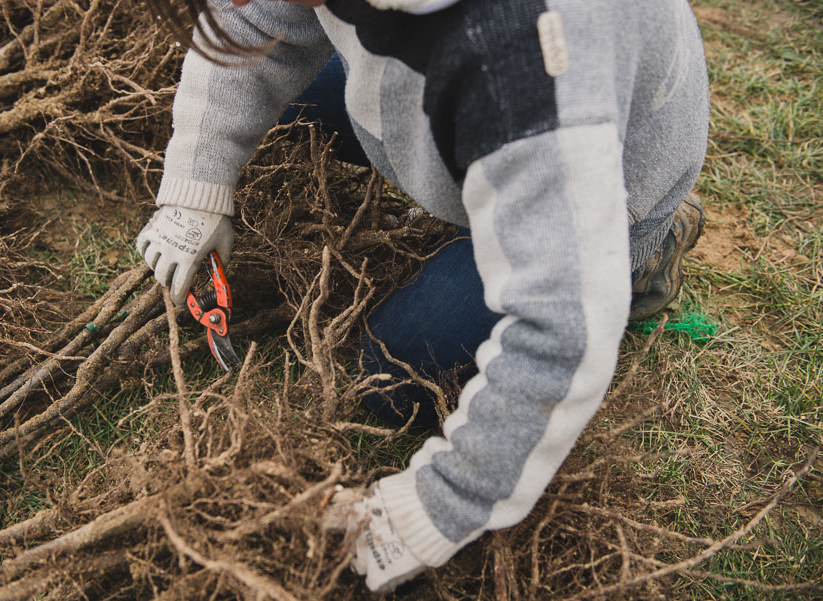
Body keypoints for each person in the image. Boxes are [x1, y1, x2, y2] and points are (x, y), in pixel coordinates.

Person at [136, 0, 709, 592]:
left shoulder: (525, 63)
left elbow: (562, 329)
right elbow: (253, 27)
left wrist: (443, 504)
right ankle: (482, 186)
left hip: (599, 171)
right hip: (475, 111)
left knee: (394, 372)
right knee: (285, 90)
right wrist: (197, 184)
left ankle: (646, 249)